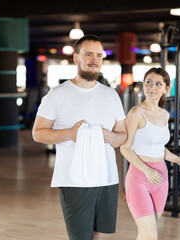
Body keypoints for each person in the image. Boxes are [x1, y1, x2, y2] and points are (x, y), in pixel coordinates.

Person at [32, 35, 127, 240]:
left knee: (95, 234)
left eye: (99, 55)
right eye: (89, 54)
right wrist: (70, 134)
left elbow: (123, 136)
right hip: (74, 178)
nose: (95, 60)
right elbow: (38, 133)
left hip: (106, 176)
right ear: (76, 58)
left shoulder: (111, 95)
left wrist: (108, 136)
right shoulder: (57, 95)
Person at [120, 67, 180, 240]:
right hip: (139, 178)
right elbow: (125, 148)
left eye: (158, 84)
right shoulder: (136, 112)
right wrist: (147, 170)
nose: (152, 87)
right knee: (151, 235)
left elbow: (158, 147)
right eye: (149, 82)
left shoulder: (164, 114)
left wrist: (178, 160)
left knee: (144, 234)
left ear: (166, 88)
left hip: (161, 178)